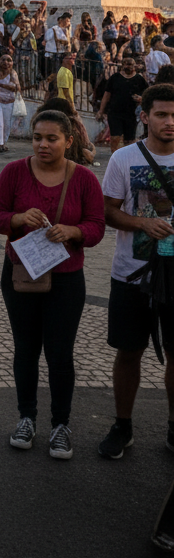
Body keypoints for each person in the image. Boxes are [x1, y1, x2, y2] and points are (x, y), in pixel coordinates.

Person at [0, 108, 106, 458]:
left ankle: (61, 424)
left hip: (67, 279)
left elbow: (97, 226)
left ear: (68, 141)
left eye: (51, 138)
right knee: (25, 348)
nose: (42, 144)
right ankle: (26, 418)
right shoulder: (13, 172)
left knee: (59, 353)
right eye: (37, 137)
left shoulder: (83, 178)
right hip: (21, 275)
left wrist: (73, 231)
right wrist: (19, 218)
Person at [96, 83, 174, 459]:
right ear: (145, 118)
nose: (170, 122)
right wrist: (143, 224)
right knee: (129, 351)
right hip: (132, 272)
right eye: (161, 114)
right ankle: (122, 426)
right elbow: (108, 210)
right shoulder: (124, 158)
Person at [97, 53, 148, 151]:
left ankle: (127, 160)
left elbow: (147, 94)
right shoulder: (115, 78)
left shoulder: (139, 79)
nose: (129, 67)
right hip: (115, 112)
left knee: (129, 141)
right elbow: (107, 95)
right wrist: (101, 111)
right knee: (115, 137)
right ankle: (115, 157)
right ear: (123, 65)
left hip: (131, 114)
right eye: (127, 64)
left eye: (131, 65)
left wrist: (141, 99)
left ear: (134, 66)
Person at [0, 53, 21, 152]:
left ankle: (4, 142)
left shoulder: (13, 74)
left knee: (7, 125)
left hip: (9, 102)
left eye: (8, 60)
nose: (6, 62)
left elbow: (16, 88)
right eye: (3, 60)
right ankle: (0, 144)